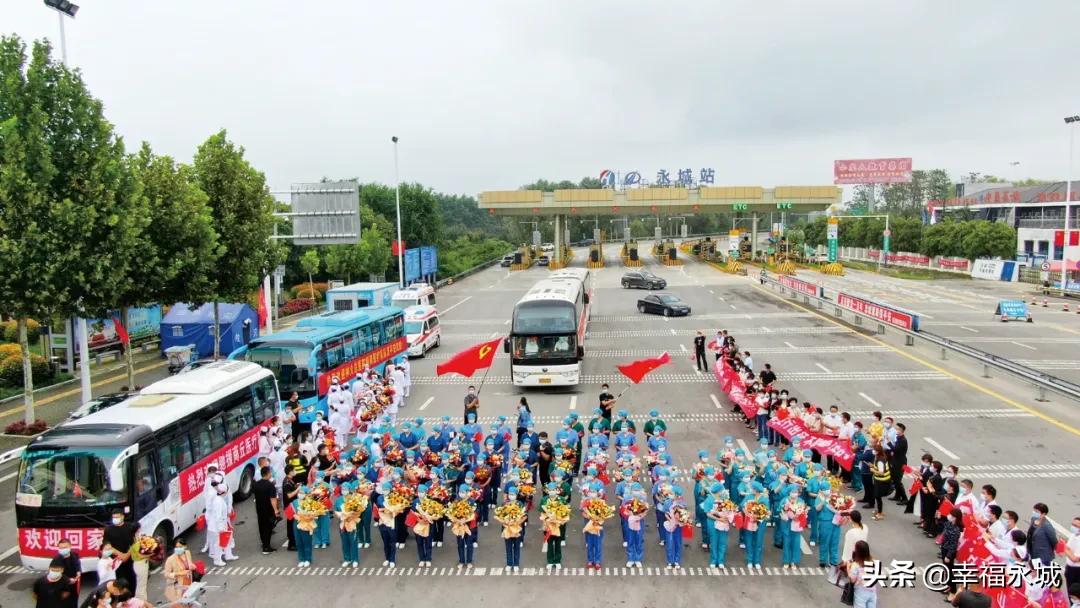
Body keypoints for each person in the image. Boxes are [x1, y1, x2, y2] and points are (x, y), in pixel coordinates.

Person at [103, 510, 138, 597]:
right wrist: (121, 555)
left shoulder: (129, 527)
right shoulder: (108, 530)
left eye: (117, 517)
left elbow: (134, 542)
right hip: (116, 561)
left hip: (130, 559)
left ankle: (132, 598)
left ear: (122, 516)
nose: (115, 519)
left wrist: (127, 555)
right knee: (119, 582)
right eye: (114, 517)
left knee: (131, 579)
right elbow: (107, 545)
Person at [252, 466, 280, 555]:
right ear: (268, 474)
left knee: (261, 526)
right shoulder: (270, 485)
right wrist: (276, 510)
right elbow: (273, 499)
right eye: (270, 472)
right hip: (268, 510)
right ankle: (266, 547)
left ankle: (263, 542)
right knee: (268, 528)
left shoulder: (256, 484)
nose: (271, 473)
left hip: (259, 509)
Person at [846, 540, 878, 608]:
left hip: (861, 592)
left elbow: (852, 580)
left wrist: (848, 568)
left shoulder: (856, 565)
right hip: (872, 592)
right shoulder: (875, 562)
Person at [941, 507, 964, 602]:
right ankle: (949, 586)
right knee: (946, 569)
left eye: (951, 515)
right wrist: (939, 518)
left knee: (950, 572)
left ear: (956, 517)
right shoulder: (949, 524)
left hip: (949, 552)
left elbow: (954, 545)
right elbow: (944, 528)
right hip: (944, 548)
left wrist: (948, 556)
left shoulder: (956, 530)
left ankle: (953, 592)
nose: (949, 516)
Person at [163, 538, 194, 603]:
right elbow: (166, 574)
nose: (178, 549)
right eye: (176, 547)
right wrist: (179, 573)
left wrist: (192, 566)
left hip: (188, 582)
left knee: (188, 602)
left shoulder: (187, 553)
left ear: (185, 546)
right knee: (179, 604)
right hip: (177, 587)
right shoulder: (171, 559)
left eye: (180, 547)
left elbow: (189, 564)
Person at [1027, 502, 1058, 568]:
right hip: (1032, 552)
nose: (1034, 512)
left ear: (1043, 514)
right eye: (1034, 510)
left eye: (1036, 511)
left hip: (1043, 557)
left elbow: (1054, 541)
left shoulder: (1047, 526)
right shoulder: (1033, 519)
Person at [53, 538, 80, 607]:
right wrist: (68, 580)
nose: (63, 549)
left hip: (74, 585)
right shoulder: (56, 560)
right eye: (61, 548)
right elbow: (55, 574)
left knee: (74, 601)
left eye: (65, 547)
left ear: (70, 546)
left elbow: (78, 564)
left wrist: (78, 571)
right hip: (62, 586)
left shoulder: (75, 554)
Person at [888, 423, 908, 502]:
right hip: (896, 461)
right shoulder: (899, 438)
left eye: (897, 429)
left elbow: (895, 449)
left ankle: (904, 498)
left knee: (898, 481)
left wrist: (889, 443)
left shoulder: (903, 440)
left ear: (901, 430)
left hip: (900, 463)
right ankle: (897, 496)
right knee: (895, 480)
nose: (896, 430)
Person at [870, 447, 891, 520]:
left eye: (874, 450)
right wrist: (873, 466)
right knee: (877, 496)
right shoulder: (879, 457)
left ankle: (880, 513)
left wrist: (873, 470)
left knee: (878, 496)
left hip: (882, 481)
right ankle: (879, 511)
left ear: (878, 451)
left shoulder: (880, 460)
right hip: (880, 480)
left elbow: (881, 472)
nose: (873, 451)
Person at [1065, 516, 1080, 591]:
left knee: (1076, 593)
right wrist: (1069, 552)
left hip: (1077, 571)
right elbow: (1067, 548)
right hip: (1069, 569)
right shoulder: (1073, 535)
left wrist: (1067, 550)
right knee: (1070, 592)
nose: (1073, 527)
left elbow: (1075, 559)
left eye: (1076, 526)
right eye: (1073, 525)